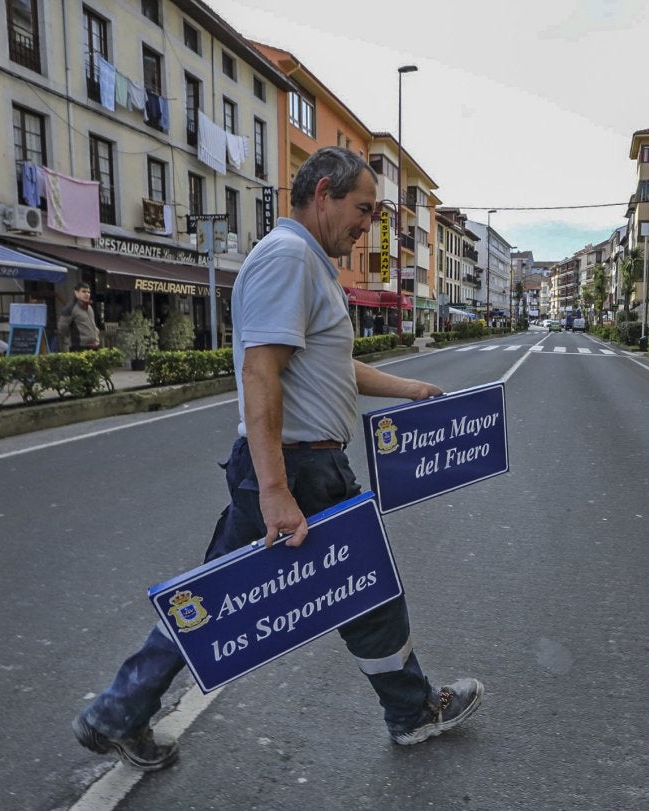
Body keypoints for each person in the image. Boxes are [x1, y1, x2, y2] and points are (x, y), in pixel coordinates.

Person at [73, 146, 483, 771]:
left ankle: (116, 713)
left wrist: (412, 389)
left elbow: (326, 365)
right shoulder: (290, 258)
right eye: (362, 210)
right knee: (365, 588)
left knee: (216, 599)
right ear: (323, 193)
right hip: (297, 468)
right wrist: (274, 489)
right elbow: (262, 373)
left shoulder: (307, 263)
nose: (366, 226)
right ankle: (410, 711)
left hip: (302, 465)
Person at [57, 283, 101, 351]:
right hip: (79, 347)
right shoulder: (70, 308)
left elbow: (92, 324)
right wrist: (71, 337)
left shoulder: (89, 308)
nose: (87, 294)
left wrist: (96, 332)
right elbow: (61, 328)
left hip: (94, 346)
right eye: (83, 291)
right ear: (76, 293)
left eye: (88, 292)